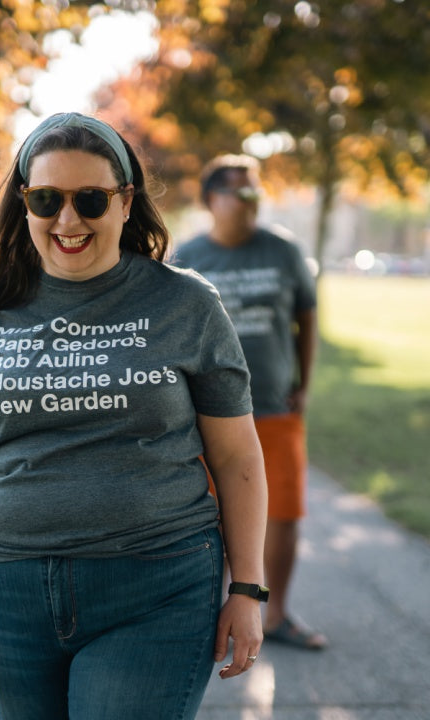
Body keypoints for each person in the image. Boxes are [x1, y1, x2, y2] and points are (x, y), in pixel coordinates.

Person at [0, 112, 269, 719]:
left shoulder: (186, 304)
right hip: (10, 593)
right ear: (24, 205)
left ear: (126, 202)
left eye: (92, 200)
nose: (68, 219)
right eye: (47, 199)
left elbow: (236, 456)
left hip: (157, 586)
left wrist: (247, 588)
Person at [171, 153, 327, 651]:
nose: (249, 201)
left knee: (282, 514)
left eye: (255, 191)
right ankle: (206, 618)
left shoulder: (283, 251)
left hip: (273, 407)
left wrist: (304, 382)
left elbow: (308, 316)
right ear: (211, 199)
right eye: (239, 191)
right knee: (206, 517)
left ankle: (275, 614)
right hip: (207, 414)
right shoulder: (187, 257)